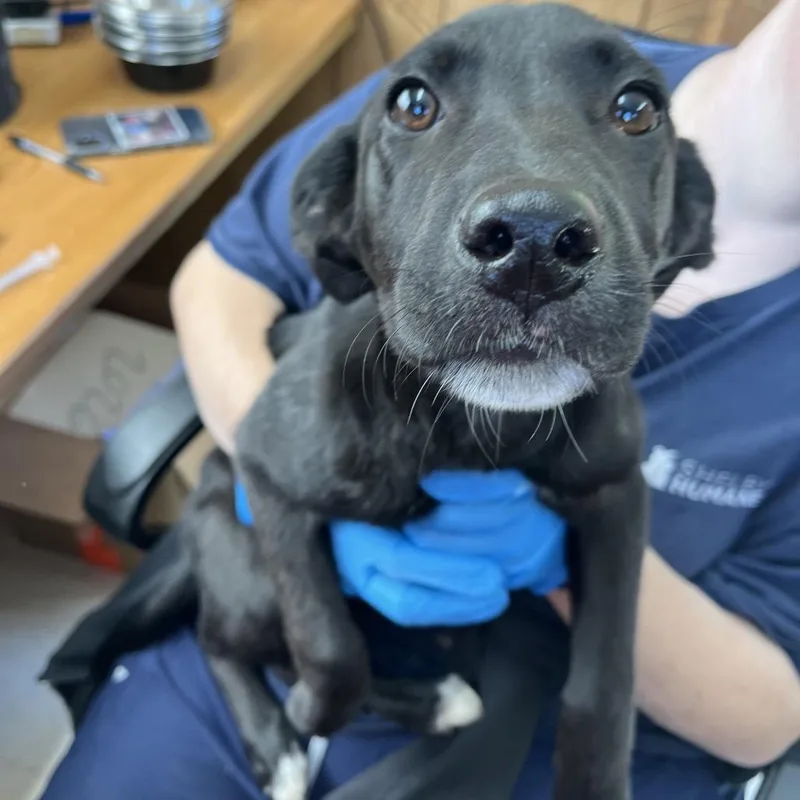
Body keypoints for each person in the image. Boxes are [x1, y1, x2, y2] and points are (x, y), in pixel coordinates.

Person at [41, 3, 800, 799]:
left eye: (631, 115)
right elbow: (220, 277)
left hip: (563, 724)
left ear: (681, 232)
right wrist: (300, 484)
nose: (536, 231)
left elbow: (768, 720)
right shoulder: (493, 54)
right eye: (418, 111)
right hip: (295, 613)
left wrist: (556, 564)